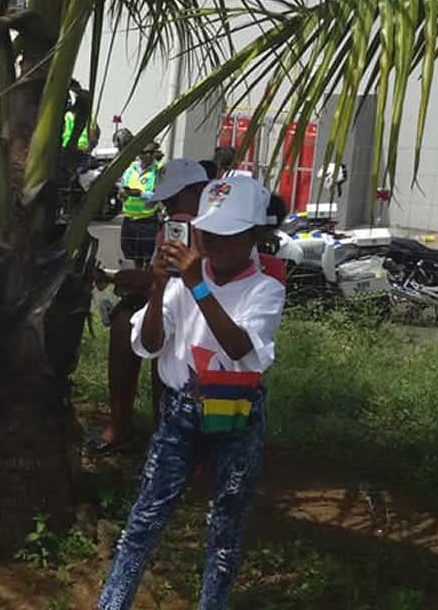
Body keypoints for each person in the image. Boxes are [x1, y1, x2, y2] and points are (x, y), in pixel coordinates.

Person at [98, 176, 286, 610]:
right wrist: (161, 284)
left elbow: (241, 348)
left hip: (236, 415)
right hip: (180, 411)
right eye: (208, 233)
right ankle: (111, 603)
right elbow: (148, 344)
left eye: (228, 235)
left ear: (254, 236)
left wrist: (197, 284)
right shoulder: (181, 283)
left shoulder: (264, 288)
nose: (215, 245)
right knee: (144, 519)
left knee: (225, 528)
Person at [92, 158, 211, 453]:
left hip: (207, 310)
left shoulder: (212, 227)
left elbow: (199, 278)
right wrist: (143, 284)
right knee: (124, 322)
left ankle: (165, 431)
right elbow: (168, 277)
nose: (170, 209)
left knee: (162, 339)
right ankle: (121, 425)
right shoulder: (175, 227)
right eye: (167, 203)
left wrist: (144, 281)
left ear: (197, 191)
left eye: (173, 200)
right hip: (175, 302)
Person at [119, 142, 161, 267]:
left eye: (150, 152)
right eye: (143, 152)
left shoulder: (159, 170)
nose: (146, 155)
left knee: (146, 258)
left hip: (147, 221)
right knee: (129, 256)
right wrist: (122, 194)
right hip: (129, 220)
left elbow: (159, 195)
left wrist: (140, 193)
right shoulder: (131, 169)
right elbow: (122, 186)